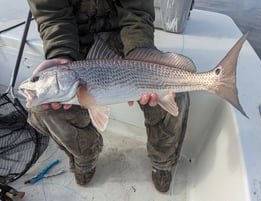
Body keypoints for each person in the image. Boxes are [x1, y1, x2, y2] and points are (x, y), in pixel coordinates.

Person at [27, 0, 190, 193]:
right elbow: (53, 17)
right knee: (42, 109)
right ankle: (86, 156)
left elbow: (137, 13)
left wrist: (139, 52)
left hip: (124, 34)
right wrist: (60, 54)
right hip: (74, 41)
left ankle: (163, 161)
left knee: (174, 91)